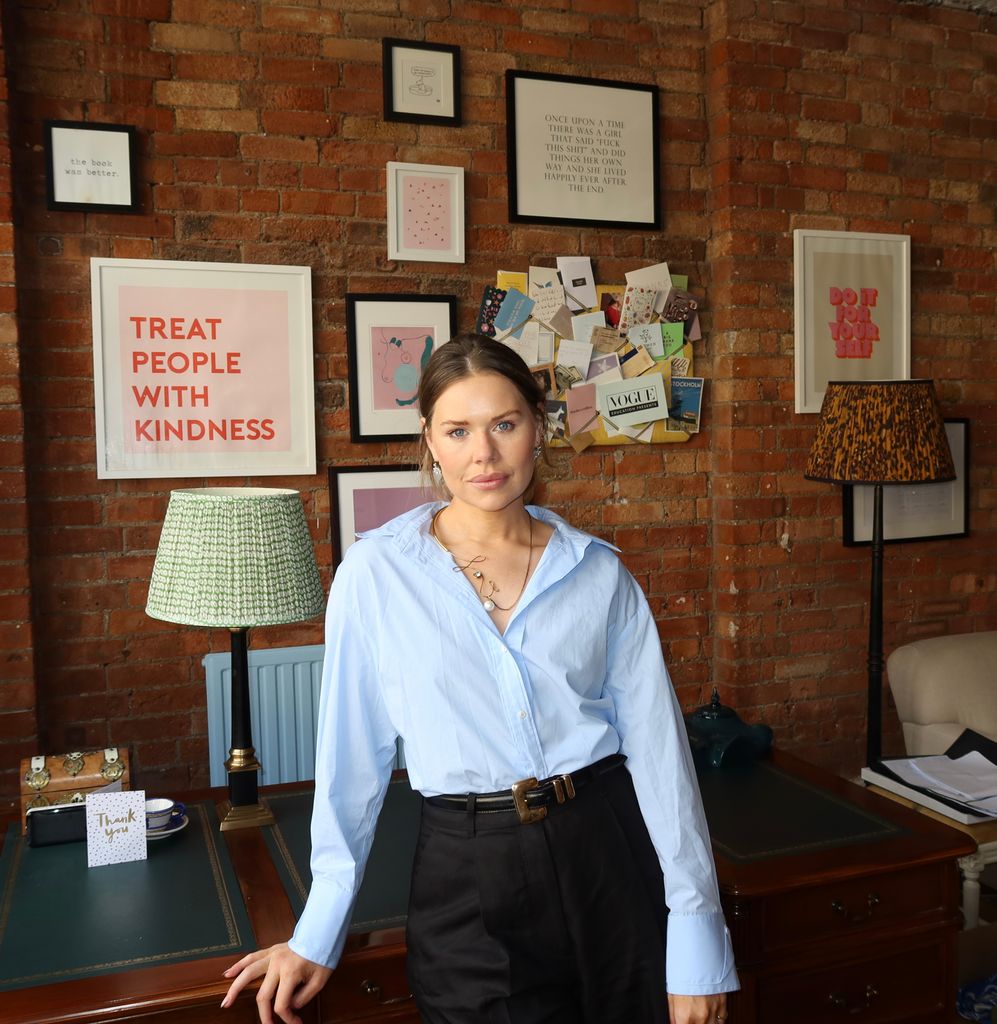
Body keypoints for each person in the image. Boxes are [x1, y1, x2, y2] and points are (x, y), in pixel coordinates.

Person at [221, 332, 738, 1024]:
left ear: (537, 426)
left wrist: (697, 935)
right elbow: (352, 765)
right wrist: (318, 931)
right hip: (467, 879)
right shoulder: (375, 577)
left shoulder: (599, 574)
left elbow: (660, 760)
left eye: (504, 424)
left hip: (607, 855)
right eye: (457, 430)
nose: (483, 454)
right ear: (429, 442)